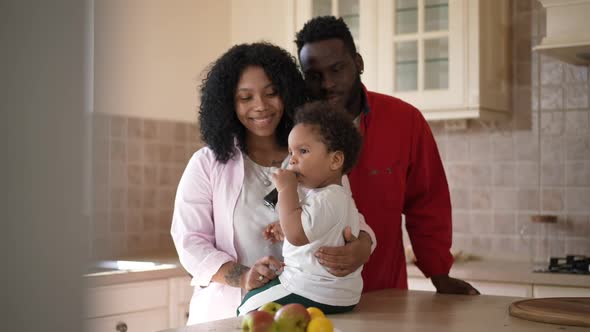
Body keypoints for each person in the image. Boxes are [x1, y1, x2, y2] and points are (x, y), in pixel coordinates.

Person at [171, 42, 377, 325]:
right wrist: (242, 276)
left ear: (288, 93)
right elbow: (190, 242)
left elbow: (349, 214)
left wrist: (362, 247)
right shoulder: (207, 164)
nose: (260, 106)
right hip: (228, 317)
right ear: (228, 103)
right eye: (245, 97)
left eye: (271, 93)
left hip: (308, 317)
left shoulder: (314, 156)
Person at [295, 16, 479, 295]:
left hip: (385, 293)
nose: (327, 83)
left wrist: (439, 274)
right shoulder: (293, 133)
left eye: (337, 69)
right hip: (309, 296)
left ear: (358, 63)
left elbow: (427, 204)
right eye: (314, 76)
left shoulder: (405, 120)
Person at [237, 101, 364, 316]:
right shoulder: (333, 197)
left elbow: (297, 235)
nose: (292, 160)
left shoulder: (329, 197)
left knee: (248, 307)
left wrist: (287, 189)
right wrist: (284, 226)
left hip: (312, 289)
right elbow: (311, 228)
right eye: (291, 152)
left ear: (335, 160)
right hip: (335, 293)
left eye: (303, 151)